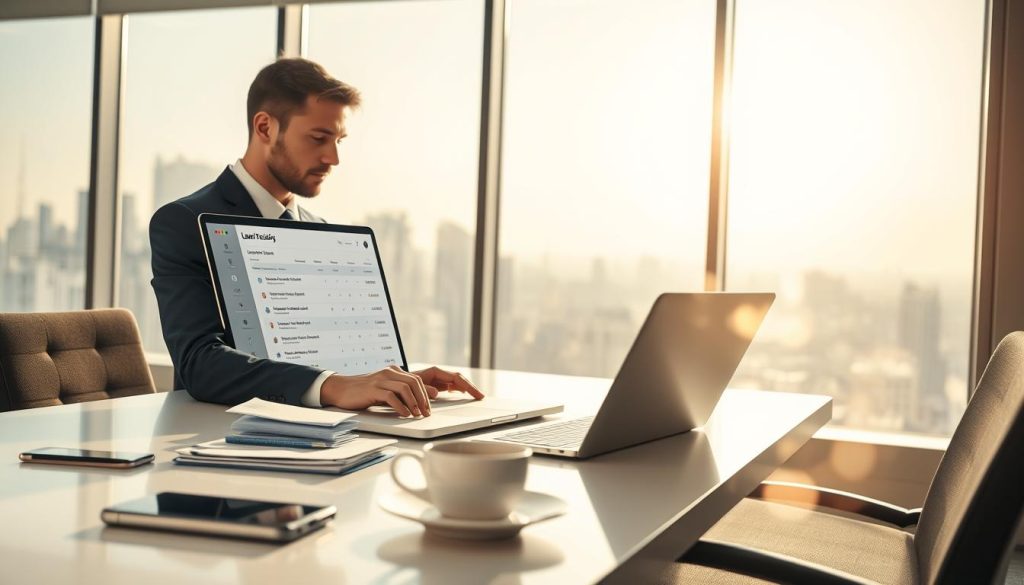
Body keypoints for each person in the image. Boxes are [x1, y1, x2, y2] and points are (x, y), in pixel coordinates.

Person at [149, 58, 482, 417]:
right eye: (319, 138)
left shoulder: (320, 231)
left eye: (339, 140)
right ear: (265, 128)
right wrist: (334, 386)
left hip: (330, 430)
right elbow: (199, 363)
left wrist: (394, 383)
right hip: (228, 438)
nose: (333, 157)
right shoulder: (183, 222)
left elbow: (327, 365)